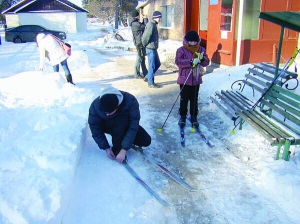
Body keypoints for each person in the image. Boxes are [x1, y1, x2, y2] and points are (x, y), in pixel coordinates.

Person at [88, 85, 151, 163]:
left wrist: (124, 149)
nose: (107, 114)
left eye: (109, 112)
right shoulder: (95, 106)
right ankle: (117, 149)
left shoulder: (130, 100)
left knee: (146, 140)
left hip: (125, 124)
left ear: (117, 107)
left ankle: (124, 140)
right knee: (119, 122)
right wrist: (106, 148)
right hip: (107, 125)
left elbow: (133, 125)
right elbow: (95, 129)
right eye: (105, 113)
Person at [175, 30, 210, 128]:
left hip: (196, 79)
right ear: (187, 41)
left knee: (194, 99)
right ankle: (182, 116)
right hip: (184, 79)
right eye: (191, 41)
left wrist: (202, 59)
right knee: (184, 98)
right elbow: (178, 62)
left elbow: (206, 62)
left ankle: (194, 116)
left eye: (195, 41)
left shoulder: (201, 49)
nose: (193, 43)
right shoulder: (181, 50)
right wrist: (190, 61)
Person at [142, 11, 162, 88]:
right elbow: (145, 37)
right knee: (152, 66)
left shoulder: (153, 24)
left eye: (160, 17)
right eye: (159, 17)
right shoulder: (151, 25)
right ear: (155, 17)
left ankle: (147, 76)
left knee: (157, 64)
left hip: (153, 48)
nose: (160, 19)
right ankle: (150, 83)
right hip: (150, 49)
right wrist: (144, 46)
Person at [129, 9, 148, 79]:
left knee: (142, 57)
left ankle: (145, 72)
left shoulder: (134, 23)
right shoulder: (135, 24)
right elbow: (145, 27)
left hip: (138, 42)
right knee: (140, 58)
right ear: (136, 16)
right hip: (139, 43)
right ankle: (136, 74)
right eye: (138, 15)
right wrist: (145, 18)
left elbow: (142, 26)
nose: (139, 16)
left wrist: (143, 20)